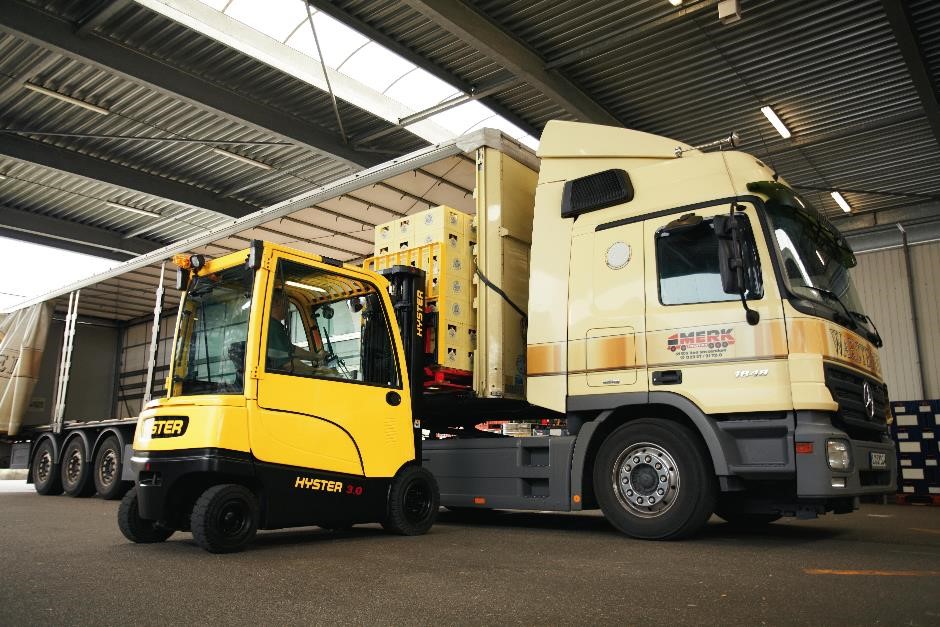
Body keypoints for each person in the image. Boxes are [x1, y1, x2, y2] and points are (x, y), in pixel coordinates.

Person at [267, 290, 328, 372]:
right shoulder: (272, 328)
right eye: (286, 302)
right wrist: (317, 372)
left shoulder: (275, 326)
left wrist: (316, 357)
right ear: (276, 303)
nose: (288, 307)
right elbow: (288, 364)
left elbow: (292, 350)